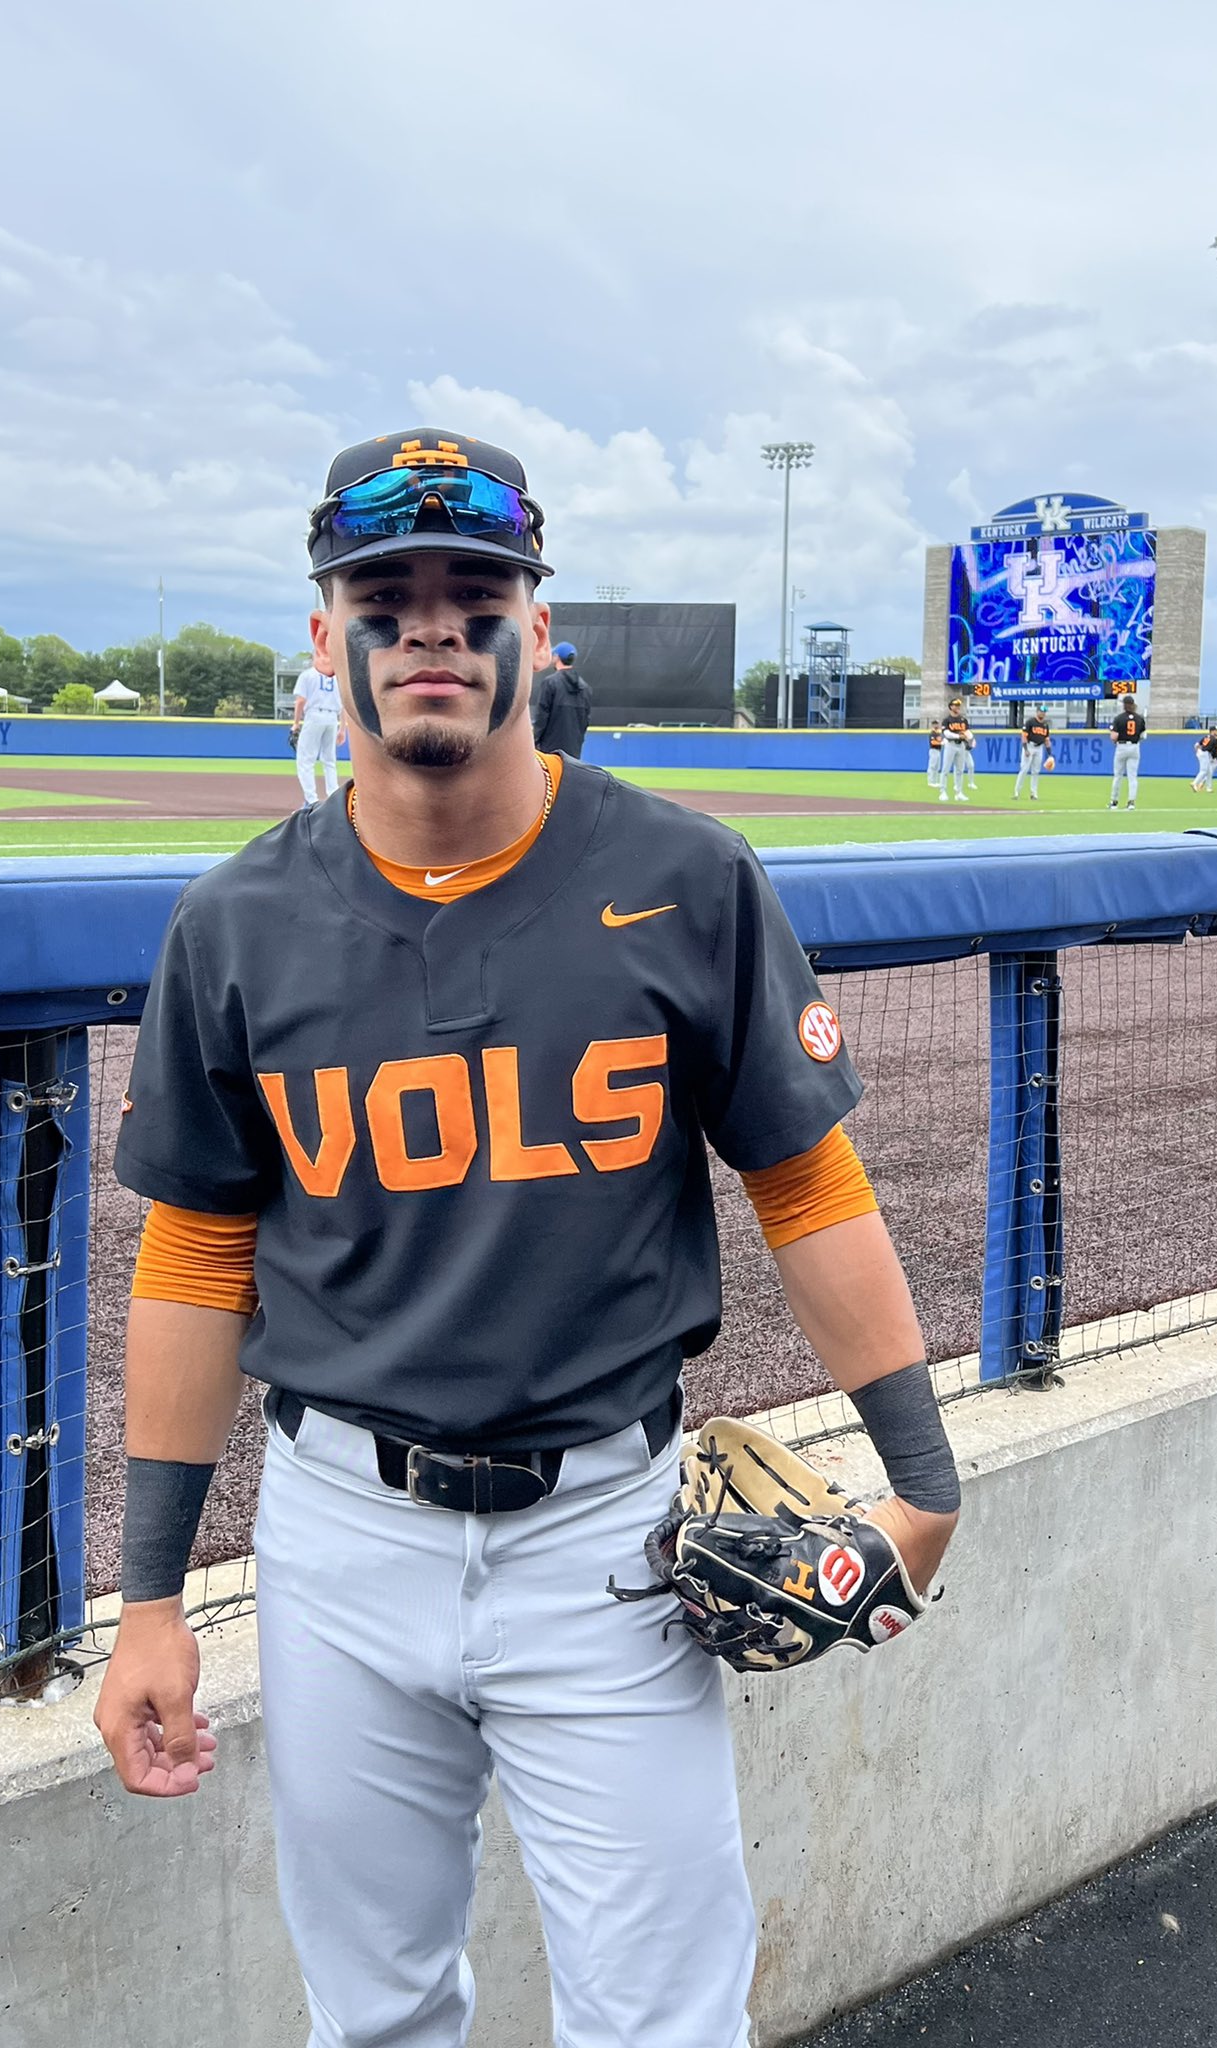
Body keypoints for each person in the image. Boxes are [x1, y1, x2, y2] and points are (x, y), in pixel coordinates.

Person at [95, 427, 960, 2048]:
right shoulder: (236, 922)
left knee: (662, 2017)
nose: (432, 625)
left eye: (474, 590)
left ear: (536, 630)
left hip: (611, 1546)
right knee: (376, 2012)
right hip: (341, 1535)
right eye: (386, 592)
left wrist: (924, 1471)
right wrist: (150, 1597)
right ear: (325, 632)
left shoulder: (683, 874)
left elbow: (808, 1184)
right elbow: (195, 1260)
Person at [289, 664, 346, 807]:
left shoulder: (308, 674)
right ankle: (334, 796)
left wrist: (296, 723)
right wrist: (342, 728)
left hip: (314, 715)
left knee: (306, 760)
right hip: (332, 718)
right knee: (329, 760)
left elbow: (300, 700)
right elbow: (344, 705)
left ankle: (311, 800)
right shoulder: (337, 677)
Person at [530, 638, 592, 757]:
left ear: (557, 657)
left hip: (550, 750)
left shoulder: (550, 683)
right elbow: (585, 721)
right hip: (574, 751)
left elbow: (541, 717)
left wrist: (535, 742)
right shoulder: (585, 688)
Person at [1107, 695, 1145, 809]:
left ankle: (1114, 802)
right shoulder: (1140, 718)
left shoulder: (1119, 718)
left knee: (1118, 776)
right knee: (1132, 777)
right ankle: (1131, 803)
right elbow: (1143, 736)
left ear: (1124, 705)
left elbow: (1114, 737)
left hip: (1122, 747)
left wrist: (1115, 739)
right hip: (1134, 747)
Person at [1012, 711, 1053, 801]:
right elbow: (1024, 736)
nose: (1043, 714)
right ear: (1037, 712)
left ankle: (1034, 794)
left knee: (1036, 771)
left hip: (1039, 748)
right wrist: (1025, 749)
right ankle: (1016, 792)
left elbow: (1047, 740)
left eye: (1044, 712)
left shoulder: (1045, 725)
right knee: (1024, 769)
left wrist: (1050, 754)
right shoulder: (1030, 722)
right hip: (1029, 746)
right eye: (1041, 712)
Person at [940, 697, 973, 803]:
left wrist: (970, 738)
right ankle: (943, 792)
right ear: (951, 707)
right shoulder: (947, 720)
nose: (958, 707)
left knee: (960, 770)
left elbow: (967, 731)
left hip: (961, 746)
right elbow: (946, 733)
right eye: (956, 705)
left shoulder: (963, 720)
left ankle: (959, 792)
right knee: (945, 769)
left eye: (959, 705)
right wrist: (959, 736)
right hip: (950, 744)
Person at [925, 719, 943, 788]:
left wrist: (941, 742)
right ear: (932, 725)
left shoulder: (938, 733)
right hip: (933, 750)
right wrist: (941, 743)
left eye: (937, 724)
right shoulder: (932, 733)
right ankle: (930, 781)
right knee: (932, 766)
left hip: (938, 750)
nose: (936, 725)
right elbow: (933, 742)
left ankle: (935, 781)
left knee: (937, 767)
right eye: (934, 724)